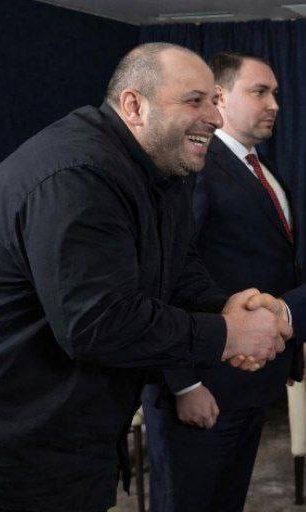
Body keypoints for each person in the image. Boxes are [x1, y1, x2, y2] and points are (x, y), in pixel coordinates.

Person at [0, 44, 290, 512]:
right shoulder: (79, 173)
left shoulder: (165, 168)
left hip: (56, 440)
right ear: (134, 105)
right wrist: (227, 335)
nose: (213, 116)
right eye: (194, 101)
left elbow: (176, 267)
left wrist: (225, 306)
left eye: (213, 100)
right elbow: (97, 324)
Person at [142, 52, 304, 512]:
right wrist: (183, 385)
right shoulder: (195, 166)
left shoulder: (264, 171)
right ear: (220, 97)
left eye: (276, 93)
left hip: (252, 381)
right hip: (203, 386)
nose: (274, 104)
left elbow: (277, 267)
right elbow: (164, 277)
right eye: (260, 92)